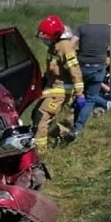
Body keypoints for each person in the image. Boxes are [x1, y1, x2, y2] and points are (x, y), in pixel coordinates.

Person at [30, 14, 84, 150]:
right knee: (36, 114)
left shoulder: (65, 46)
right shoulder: (54, 46)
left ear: (54, 36)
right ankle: (65, 135)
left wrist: (79, 94)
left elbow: (74, 70)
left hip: (60, 90)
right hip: (52, 88)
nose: (44, 41)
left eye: (46, 38)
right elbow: (52, 69)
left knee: (41, 117)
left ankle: (40, 152)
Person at [63, 21, 110, 142]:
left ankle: (74, 119)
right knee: (90, 99)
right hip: (99, 67)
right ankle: (77, 128)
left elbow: (71, 44)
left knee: (80, 94)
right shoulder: (109, 29)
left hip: (82, 67)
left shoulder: (82, 27)